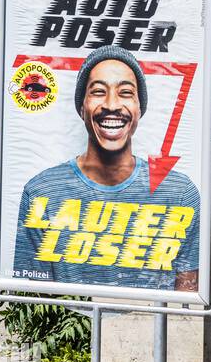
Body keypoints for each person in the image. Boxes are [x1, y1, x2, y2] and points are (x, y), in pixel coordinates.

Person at [12, 46, 200, 291]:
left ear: (139, 110)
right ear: (82, 109)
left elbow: (186, 300)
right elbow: (34, 299)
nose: (112, 104)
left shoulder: (180, 193)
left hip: (151, 329)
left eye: (125, 93)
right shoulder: (42, 192)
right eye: (99, 92)